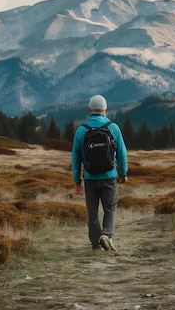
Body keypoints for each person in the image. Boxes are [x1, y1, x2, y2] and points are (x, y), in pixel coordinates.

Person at [72, 95, 128, 251]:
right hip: (110, 178)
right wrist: (123, 173)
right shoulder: (113, 128)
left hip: (90, 179)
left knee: (92, 213)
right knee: (110, 208)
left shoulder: (81, 130)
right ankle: (106, 235)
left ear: (89, 109)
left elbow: (76, 158)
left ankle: (96, 244)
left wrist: (77, 181)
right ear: (106, 109)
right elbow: (122, 153)